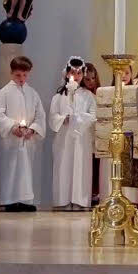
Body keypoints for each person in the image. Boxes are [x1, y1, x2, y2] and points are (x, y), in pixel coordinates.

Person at [0, 56, 46, 212]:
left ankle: (25, 199)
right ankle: (10, 199)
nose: (22, 79)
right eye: (18, 75)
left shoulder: (32, 93)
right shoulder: (4, 92)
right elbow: (0, 114)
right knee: (11, 168)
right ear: (11, 73)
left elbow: (40, 115)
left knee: (26, 169)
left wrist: (33, 129)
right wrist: (13, 127)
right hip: (11, 139)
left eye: (25, 75)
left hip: (27, 139)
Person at [50, 56, 96, 210]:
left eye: (79, 74)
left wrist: (79, 119)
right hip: (64, 138)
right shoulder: (59, 96)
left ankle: (80, 200)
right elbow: (53, 116)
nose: (75, 77)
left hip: (81, 138)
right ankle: (62, 200)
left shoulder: (88, 95)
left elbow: (94, 114)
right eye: (72, 73)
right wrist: (63, 119)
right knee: (64, 165)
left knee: (81, 167)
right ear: (66, 74)